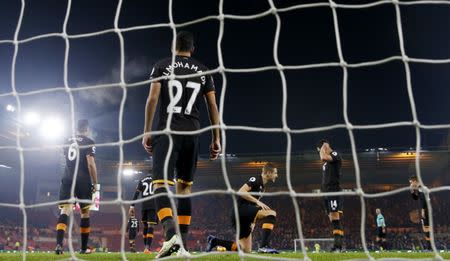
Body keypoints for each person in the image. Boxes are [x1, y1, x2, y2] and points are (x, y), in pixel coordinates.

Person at [142, 31, 221, 258]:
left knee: (160, 185)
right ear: (192, 49)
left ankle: (169, 235)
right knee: (184, 188)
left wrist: (147, 131)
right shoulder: (204, 70)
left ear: (173, 47)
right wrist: (216, 138)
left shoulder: (162, 65)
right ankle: (182, 246)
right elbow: (212, 106)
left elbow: (153, 99)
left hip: (167, 132)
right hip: (193, 135)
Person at [206, 162, 279, 254]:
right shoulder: (255, 180)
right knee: (271, 213)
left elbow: (254, 206)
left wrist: (252, 222)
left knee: (245, 250)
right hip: (240, 211)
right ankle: (264, 246)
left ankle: (215, 241)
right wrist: (257, 201)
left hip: (243, 216)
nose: (276, 175)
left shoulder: (262, 188)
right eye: (275, 173)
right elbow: (241, 191)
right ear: (268, 173)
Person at [55, 119, 99, 255]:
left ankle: (58, 246)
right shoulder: (89, 141)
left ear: (76, 129)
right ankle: (83, 249)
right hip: (83, 180)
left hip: (67, 178)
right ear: (87, 129)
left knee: (65, 211)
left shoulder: (66, 140)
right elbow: (91, 164)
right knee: (85, 213)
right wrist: (95, 183)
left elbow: (64, 158)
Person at [316, 139, 344, 252]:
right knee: (332, 220)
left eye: (320, 150)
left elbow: (323, 157)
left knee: (335, 219)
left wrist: (323, 147)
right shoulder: (327, 162)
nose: (320, 152)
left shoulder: (335, 154)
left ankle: (338, 247)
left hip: (334, 191)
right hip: (326, 193)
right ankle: (337, 246)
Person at [128, 174, 157, 253]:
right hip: (153, 205)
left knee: (145, 226)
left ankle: (146, 248)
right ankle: (147, 248)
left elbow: (136, 193)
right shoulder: (156, 179)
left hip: (144, 206)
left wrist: (132, 206)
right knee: (151, 226)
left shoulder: (142, 181)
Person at [409, 175, 431, 250]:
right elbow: (416, 198)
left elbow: (424, 200)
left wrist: (423, 210)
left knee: (427, 228)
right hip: (424, 209)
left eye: (411, 182)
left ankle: (430, 247)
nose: (411, 184)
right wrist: (412, 191)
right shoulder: (419, 189)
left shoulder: (422, 188)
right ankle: (429, 247)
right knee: (425, 229)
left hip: (426, 209)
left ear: (415, 181)